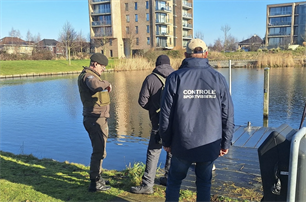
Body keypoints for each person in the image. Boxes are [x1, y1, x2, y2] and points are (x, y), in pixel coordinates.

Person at [159, 39, 235, 202]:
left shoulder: (174, 78)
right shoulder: (218, 78)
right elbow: (227, 114)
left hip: (182, 144)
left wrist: (166, 141)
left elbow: (165, 115)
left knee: (174, 182)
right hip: (209, 144)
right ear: (206, 54)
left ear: (186, 55)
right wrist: (225, 143)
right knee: (204, 183)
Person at [130, 55, 175, 194]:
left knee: (153, 152)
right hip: (175, 122)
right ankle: (169, 178)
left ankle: (147, 185)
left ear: (156, 64)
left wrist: (154, 110)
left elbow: (142, 101)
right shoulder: (177, 77)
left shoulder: (150, 78)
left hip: (158, 122)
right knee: (172, 151)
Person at [77, 53, 112, 192]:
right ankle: (95, 183)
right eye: (102, 66)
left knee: (101, 150)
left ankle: (98, 177)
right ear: (95, 64)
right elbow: (94, 85)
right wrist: (107, 83)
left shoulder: (92, 74)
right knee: (99, 151)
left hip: (97, 118)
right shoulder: (88, 76)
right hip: (94, 120)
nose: (103, 69)